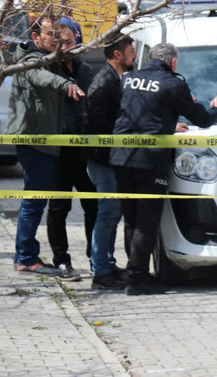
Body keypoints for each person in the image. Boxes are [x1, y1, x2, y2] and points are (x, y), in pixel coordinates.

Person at [110, 42, 217, 296]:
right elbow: (202, 119)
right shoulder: (173, 84)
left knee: (131, 220)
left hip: (121, 158)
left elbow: (140, 112)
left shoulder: (129, 79)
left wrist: (166, 123)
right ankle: (138, 280)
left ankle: (134, 274)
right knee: (146, 223)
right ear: (172, 62)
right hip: (149, 161)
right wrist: (216, 108)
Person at [8, 14, 86, 275]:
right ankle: (26, 257)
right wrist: (66, 84)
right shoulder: (31, 61)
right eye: (50, 34)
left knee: (36, 201)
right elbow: (42, 78)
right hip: (35, 141)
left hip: (47, 142)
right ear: (35, 37)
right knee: (34, 201)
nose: (56, 39)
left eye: (58, 34)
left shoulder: (51, 59)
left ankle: (26, 254)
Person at [45, 18, 97, 281]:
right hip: (58, 151)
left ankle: (95, 257)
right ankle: (61, 261)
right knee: (58, 209)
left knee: (94, 204)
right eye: (60, 42)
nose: (64, 47)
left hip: (84, 150)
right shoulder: (47, 68)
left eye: (69, 42)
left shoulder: (86, 70)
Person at [84, 34, 137, 290]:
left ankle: (107, 264)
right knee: (108, 212)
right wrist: (121, 136)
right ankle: (101, 271)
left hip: (110, 159)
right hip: (102, 160)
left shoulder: (113, 80)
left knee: (112, 213)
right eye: (131, 50)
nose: (134, 55)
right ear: (118, 54)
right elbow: (95, 122)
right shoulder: (103, 83)